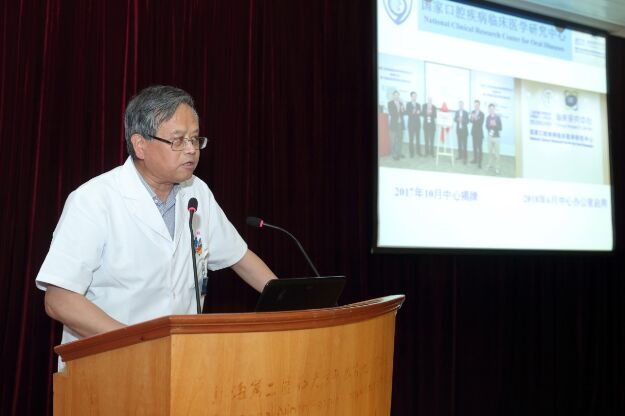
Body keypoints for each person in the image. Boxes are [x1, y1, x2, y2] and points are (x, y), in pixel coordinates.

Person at [36, 86, 277, 363]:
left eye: (195, 139)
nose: (191, 150)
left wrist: (294, 305)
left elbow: (240, 258)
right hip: (108, 364)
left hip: (179, 361)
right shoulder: (94, 200)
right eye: (178, 140)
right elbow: (59, 299)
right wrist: (138, 343)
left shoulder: (196, 192)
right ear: (140, 145)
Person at [387, 90, 405, 160]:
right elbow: (391, 113)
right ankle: (394, 154)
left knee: (400, 139)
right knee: (394, 140)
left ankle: (399, 153)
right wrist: (398, 109)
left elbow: (403, 113)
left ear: (399, 96)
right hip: (394, 124)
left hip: (400, 124)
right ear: (393, 96)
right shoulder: (390, 103)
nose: (396, 96)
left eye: (397, 95)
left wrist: (402, 109)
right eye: (395, 95)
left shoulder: (401, 103)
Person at [485, 103, 503, 174]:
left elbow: (500, 128)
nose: (491, 110)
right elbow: (486, 126)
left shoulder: (498, 117)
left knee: (497, 154)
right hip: (490, 137)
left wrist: (495, 125)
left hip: (496, 138)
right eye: (490, 109)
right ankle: (490, 165)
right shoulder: (488, 117)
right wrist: (490, 125)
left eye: (492, 109)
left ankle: (497, 167)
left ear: (494, 109)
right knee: (490, 153)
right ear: (488, 110)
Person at [405, 92, 422, 157]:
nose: (414, 97)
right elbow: (407, 113)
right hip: (411, 124)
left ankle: (418, 152)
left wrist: (419, 112)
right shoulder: (408, 104)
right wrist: (412, 112)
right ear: (411, 97)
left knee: (418, 138)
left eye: (415, 96)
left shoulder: (418, 104)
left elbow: (420, 113)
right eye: (413, 96)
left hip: (417, 124)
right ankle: (411, 153)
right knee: (411, 139)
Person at [469, 100, 485, 168]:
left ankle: (480, 162)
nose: (476, 106)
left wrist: (475, 118)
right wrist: (472, 118)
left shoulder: (482, 114)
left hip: (479, 134)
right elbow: (470, 120)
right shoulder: (473, 112)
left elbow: (480, 123)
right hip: (474, 133)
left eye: (477, 105)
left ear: (479, 105)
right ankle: (475, 160)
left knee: (480, 148)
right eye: (475, 105)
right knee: (474, 147)